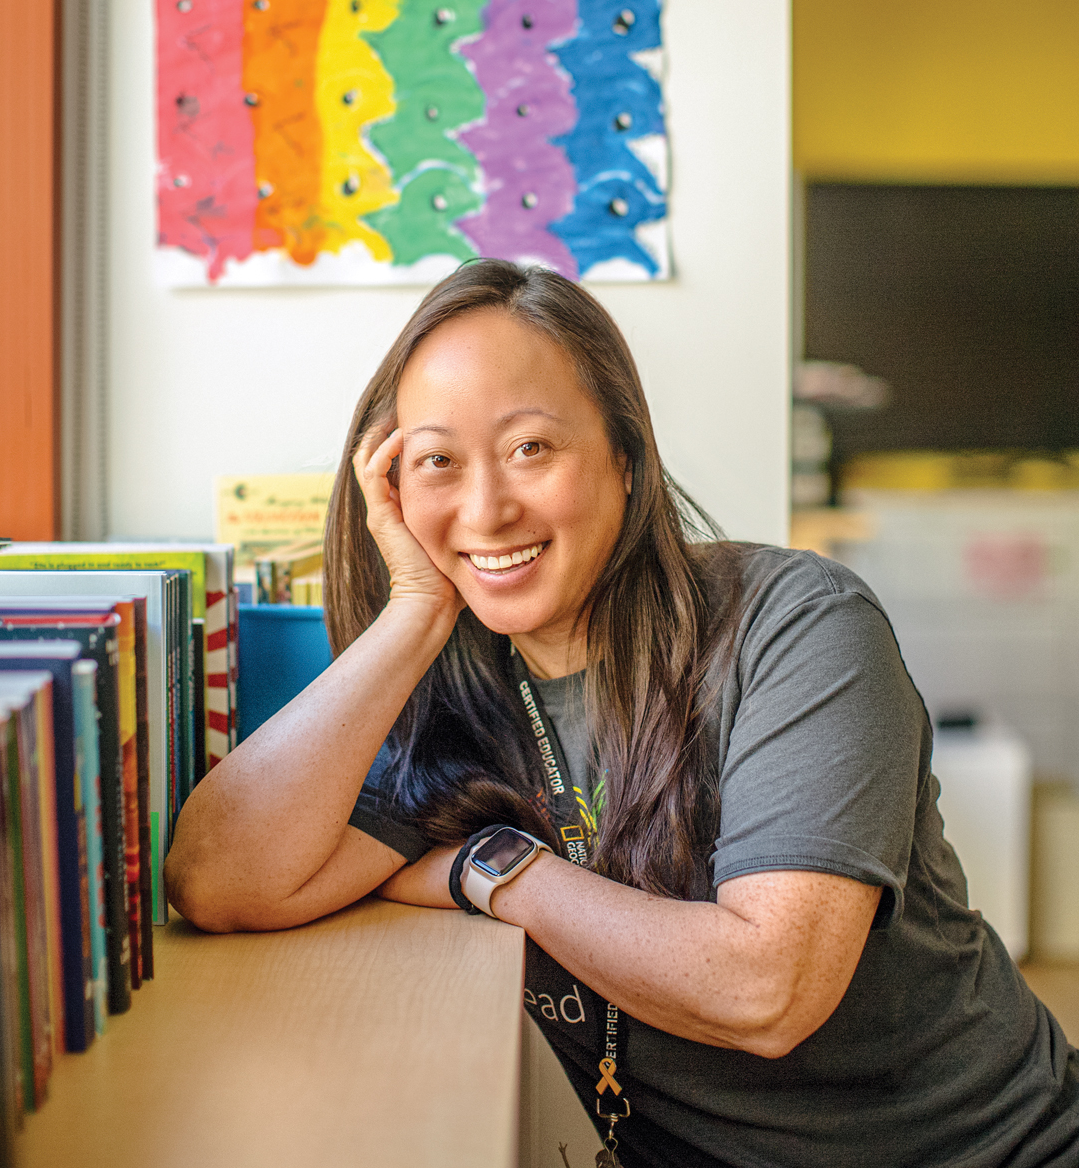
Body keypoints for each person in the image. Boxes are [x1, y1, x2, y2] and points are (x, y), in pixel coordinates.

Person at [166, 259, 1079, 1168]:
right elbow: (217, 877)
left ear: (626, 461)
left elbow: (767, 991)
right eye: (437, 461)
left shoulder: (798, 626)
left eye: (531, 447)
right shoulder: (455, 690)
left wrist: (493, 868)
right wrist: (413, 612)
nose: (485, 508)